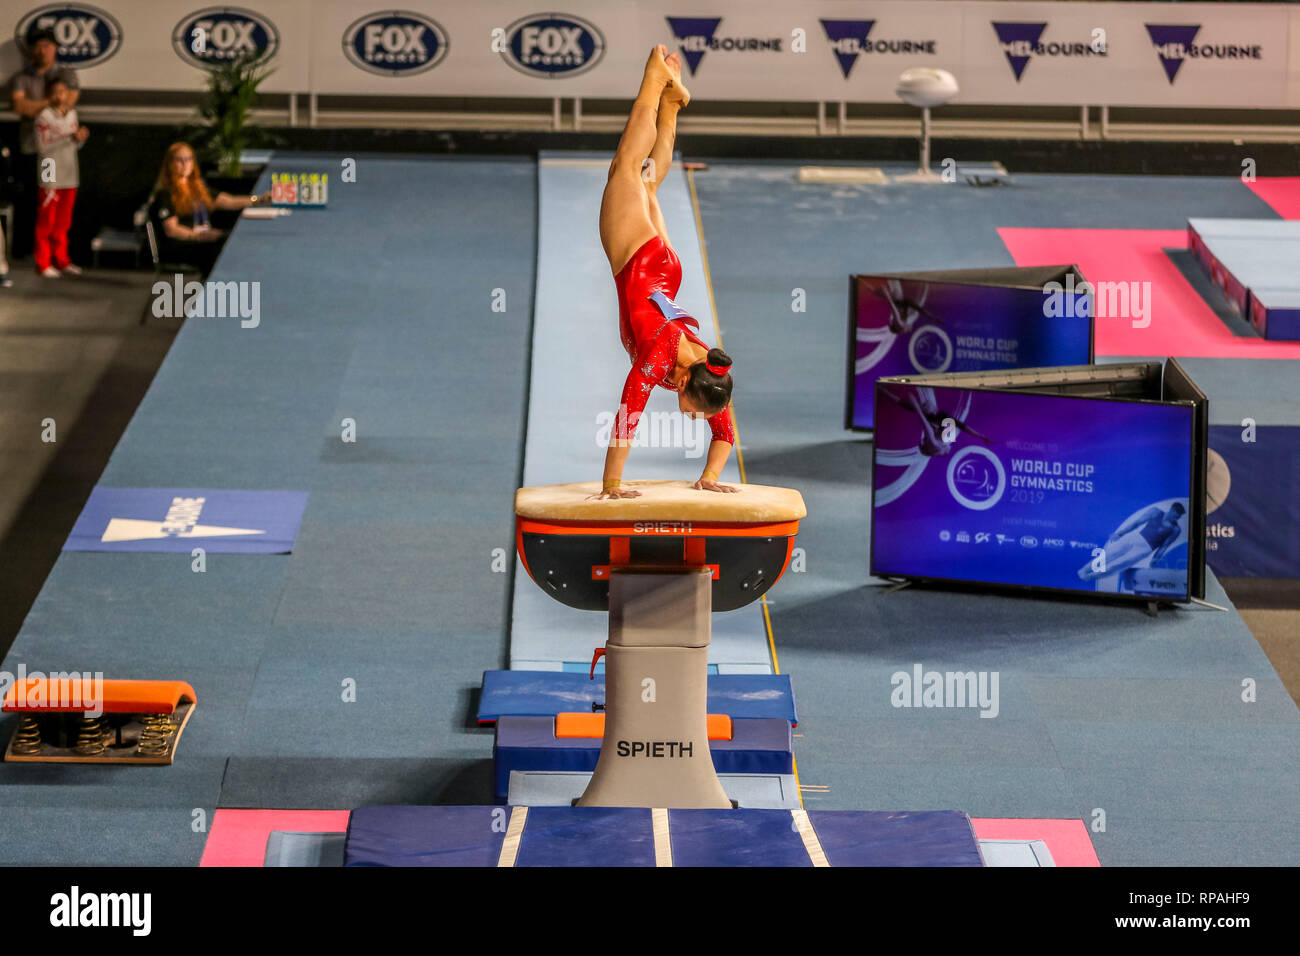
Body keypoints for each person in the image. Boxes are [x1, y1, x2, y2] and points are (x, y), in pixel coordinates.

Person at [594, 46, 737, 501]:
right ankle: (654, 83)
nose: (694, 417)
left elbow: (725, 436)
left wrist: (711, 478)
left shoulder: (708, 377)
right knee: (626, 170)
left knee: (648, 181)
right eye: (694, 412)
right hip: (637, 261)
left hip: (664, 269)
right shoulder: (662, 354)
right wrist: (612, 484)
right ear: (685, 384)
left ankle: (672, 107)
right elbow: (628, 412)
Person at [8, 28, 79, 261]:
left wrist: (36, 105)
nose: (42, 50)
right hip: (31, 147)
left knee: (55, 204)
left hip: (57, 155)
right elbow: (20, 107)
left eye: (47, 45)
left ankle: (57, 256)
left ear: (55, 48)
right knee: (33, 199)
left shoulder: (67, 75)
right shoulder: (22, 77)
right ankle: (31, 253)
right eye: (38, 46)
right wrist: (50, 100)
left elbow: (67, 104)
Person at [147, 142, 270, 276]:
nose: (185, 163)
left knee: (233, 238)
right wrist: (198, 236)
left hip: (200, 238)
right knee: (220, 247)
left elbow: (227, 201)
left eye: (189, 159)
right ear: (170, 164)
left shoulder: (196, 188)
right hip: (180, 244)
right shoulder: (165, 194)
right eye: (179, 160)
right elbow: (172, 230)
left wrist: (258, 199)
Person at [32, 78, 87, 277]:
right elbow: (42, 147)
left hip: (69, 170)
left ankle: (61, 259)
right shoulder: (44, 117)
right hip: (50, 169)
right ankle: (43, 262)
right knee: (47, 219)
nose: (59, 96)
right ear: (48, 94)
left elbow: (74, 144)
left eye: (62, 92)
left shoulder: (72, 114)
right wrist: (68, 138)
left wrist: (79, 139)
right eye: (55, 92)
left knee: (64, 221)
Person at [1077, 502, 1186, 582]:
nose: (1177, 518)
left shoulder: (1175, 529)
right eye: (1176, 515)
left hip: (1145, 549)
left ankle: (1091, 577)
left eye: (1179, 517)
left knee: (1119, 564)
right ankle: (1084, 570)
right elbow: (1136, 523)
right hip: (1135, 537)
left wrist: (1154, 561)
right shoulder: (1156, 512)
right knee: (1108, 555)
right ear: (1172, 510)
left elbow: (1164, 547)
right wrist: (1120, 533)